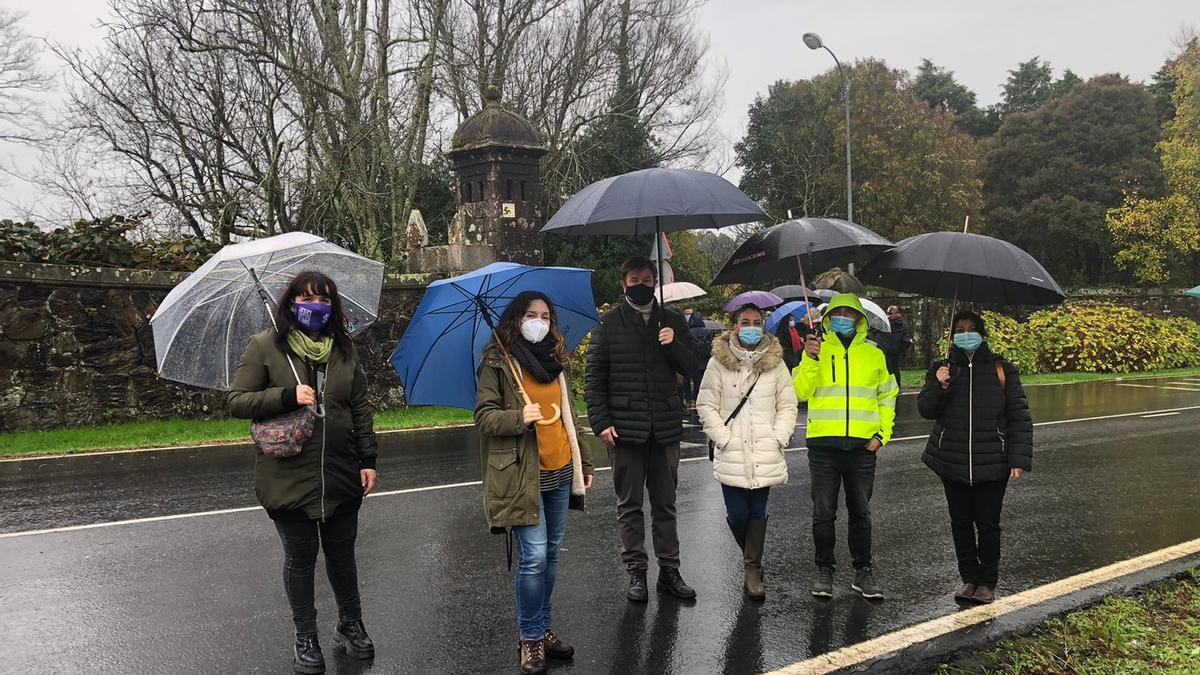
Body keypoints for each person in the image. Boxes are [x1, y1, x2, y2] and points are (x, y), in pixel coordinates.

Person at [228, 271, 378, 675]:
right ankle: (306, 636)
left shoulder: (344, 349)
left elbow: (359, 408)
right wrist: (286, 396)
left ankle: (350, 623)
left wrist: (368, 460)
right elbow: (237, 402)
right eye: (308, 298)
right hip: (287, 476)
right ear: (291, 303)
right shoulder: (265, 346)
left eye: (325, 300)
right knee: (300, 558)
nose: (316, 307)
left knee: (343, 556)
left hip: (340, 473)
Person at [475, 291, 595, 675]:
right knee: (535, 557)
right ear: (516, 319)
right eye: (530, 314)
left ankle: (543, 629)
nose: (538, 322)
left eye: (545, 316)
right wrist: (518, 417)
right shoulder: (498, 362)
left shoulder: (556, 361)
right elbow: (484, 417)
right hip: (522, 475)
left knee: (552, 554)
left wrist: (584, 461)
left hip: (560, 468)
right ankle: (529, 638)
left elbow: (569, 416)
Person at [585, 256, 700, 602]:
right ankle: (636, 571)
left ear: (655, 283)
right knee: (629, 505)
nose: (641, 286)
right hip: (624, 431)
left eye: (647, 280)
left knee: (666, 504)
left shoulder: (673, 320)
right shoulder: (608, 324)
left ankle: (670, 570)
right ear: (623, 284)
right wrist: (601, 422)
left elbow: (693, 366)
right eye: (634, 280)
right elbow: (594, 379)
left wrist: (673, 344)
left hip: (664, 428)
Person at [917, 310, 1032, 605]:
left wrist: (1018, 458)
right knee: (960, 523)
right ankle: (969, 578)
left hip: (993, 461)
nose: (965, 334)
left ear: (981, 334)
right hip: (952, 460)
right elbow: (926, 410)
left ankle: (987, 582)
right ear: (952, 335)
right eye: (959, 329)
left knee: (988, 525)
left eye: (971, 328)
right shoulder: (942, 368)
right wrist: (940, 385)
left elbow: (1018, 415)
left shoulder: (1001, 369)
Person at [794, 293, 899, 600]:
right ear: (828, 319)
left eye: (848, 313)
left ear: (859, 319)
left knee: (861, 513)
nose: (842, 318)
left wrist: (881, 434)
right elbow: (800, 392)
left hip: (862, 447)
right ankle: (824, 570)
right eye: (836, 313)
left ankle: (863, 571)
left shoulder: (875, 354)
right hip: (823, 446)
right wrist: (809, 359)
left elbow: (887, 396)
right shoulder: (815, 349)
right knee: (823, 513)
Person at [696, 304, 798, 601]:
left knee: (758, 512)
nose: (751, 327)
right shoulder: (718, 363)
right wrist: (723, 438)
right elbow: (706, 405)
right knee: (737, 515)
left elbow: (787, 405)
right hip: (732, 450)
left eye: (756, 322)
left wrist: (778, 437)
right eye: (745, 322)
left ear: (763, 326)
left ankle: (752, 568)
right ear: (735, 326)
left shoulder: (776, 364)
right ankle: (751, 557)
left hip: (765, 450)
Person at [680, 308, 707, 407]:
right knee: (698, 383)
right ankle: (697, 400)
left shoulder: (687, 331)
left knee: (686, 382)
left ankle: (688, 400)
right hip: (703, 362)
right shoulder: (707, 331)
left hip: (689, 360)